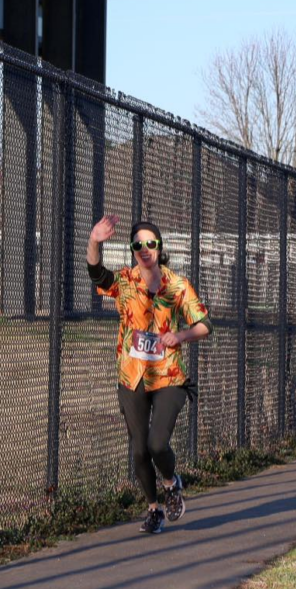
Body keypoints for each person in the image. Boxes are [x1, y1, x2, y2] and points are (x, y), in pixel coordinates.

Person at [87, 215, 211, 534]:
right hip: (133, 376)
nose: (145, 249)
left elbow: (204, 325)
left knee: (157, 444)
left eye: (150, 243)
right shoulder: (125, 281)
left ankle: (171, 482)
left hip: (169, 375)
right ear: (132, 249)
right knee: (139, 449)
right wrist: (94, 241)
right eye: (138, 244)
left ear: (159, 247)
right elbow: (96, 273)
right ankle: (154, 509)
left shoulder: (177, 285)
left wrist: (180, 336)